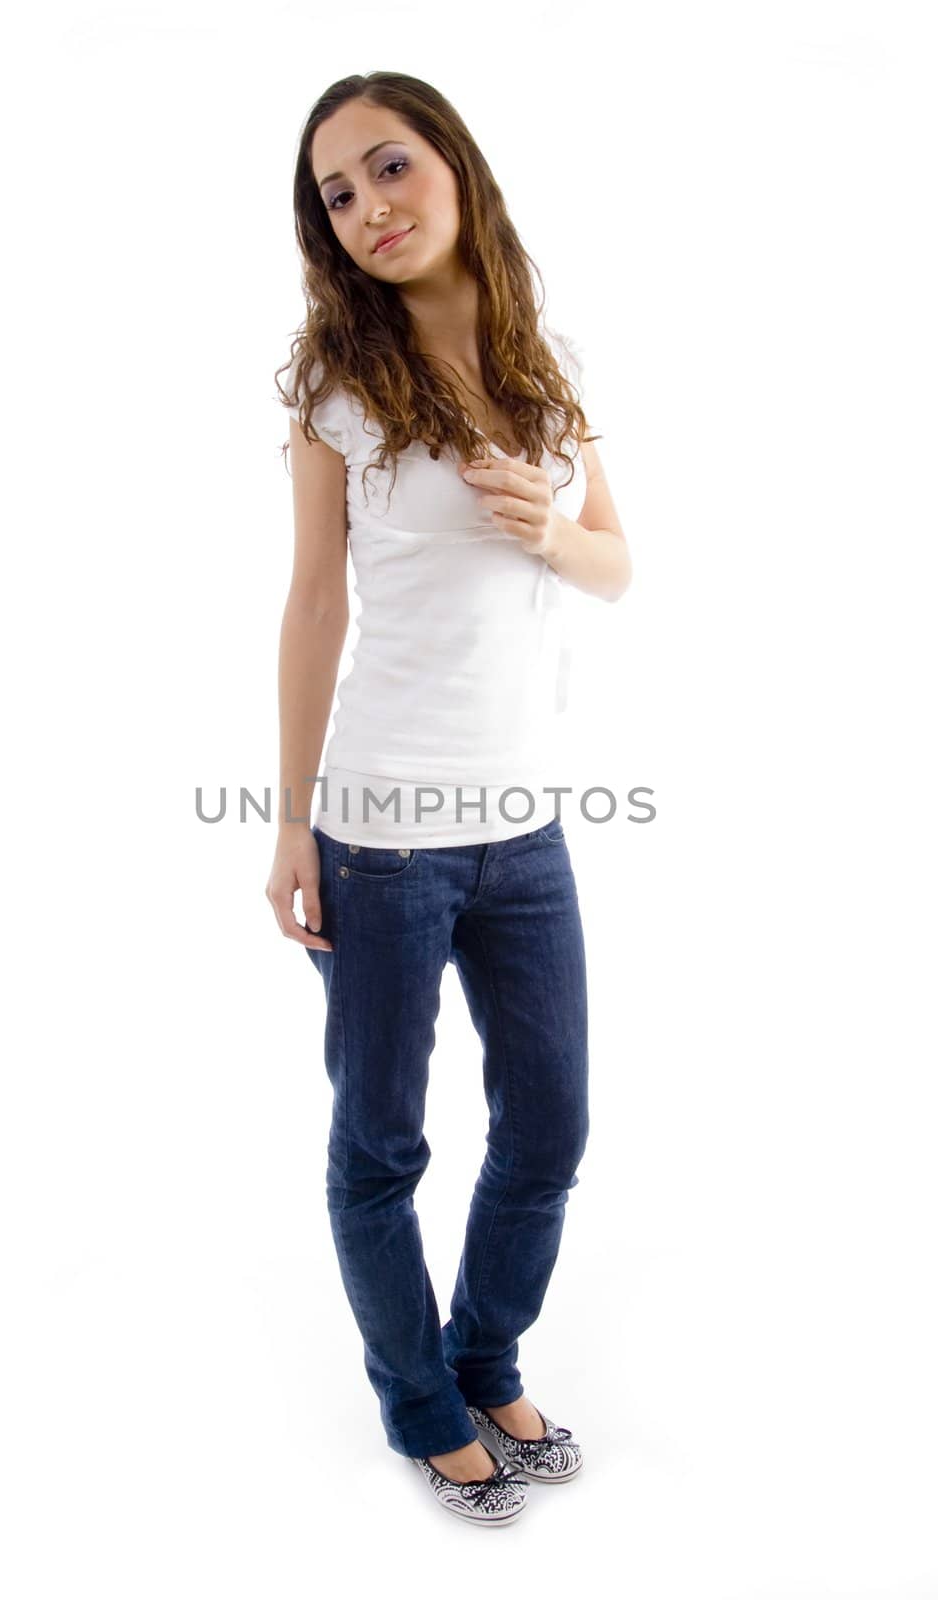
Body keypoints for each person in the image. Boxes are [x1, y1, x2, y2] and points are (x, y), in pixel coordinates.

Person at [266, 72, 632, 1527]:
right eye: (337, 195)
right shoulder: (334, 389)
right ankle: (417, 1399)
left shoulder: (550, 361)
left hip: (530, 831)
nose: (369, 209)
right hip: (379, 838)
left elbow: (617, 564)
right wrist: (290, 823)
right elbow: (309, 609)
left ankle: (485, 1355)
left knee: (547, 1130)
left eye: (389, 166)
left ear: (456, 167)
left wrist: (552, 525)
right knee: (384, 1145)